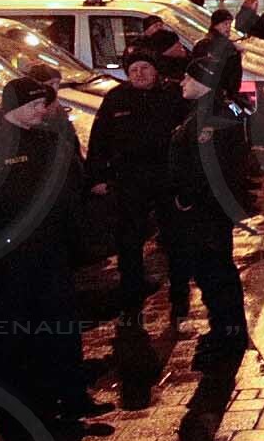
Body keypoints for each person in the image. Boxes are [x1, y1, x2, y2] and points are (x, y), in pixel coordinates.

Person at [0, 72, 100, 421]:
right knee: (14, 335)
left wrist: (76, 243)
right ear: (13, 107)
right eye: (34, 104)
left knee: (63, 329)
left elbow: (70, 193)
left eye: (43, 104)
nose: (41, 111)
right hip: (9, 261)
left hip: (51, 255)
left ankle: (73, 397)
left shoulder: (47, 142)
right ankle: (22, 408)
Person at [87, 46, 186, 333]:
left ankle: (179, 297)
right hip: (129, 182)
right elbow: (98, 141)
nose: (139, 74)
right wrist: (97, 176)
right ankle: (131, 302)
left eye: (144, 68)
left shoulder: (173, 96)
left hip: (167, 180)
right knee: (129, 243)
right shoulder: (116, 99)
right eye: (133, 70)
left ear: (156, 70)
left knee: (176, 242)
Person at [165, 46, 255, 355]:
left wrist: (187, 199)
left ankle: (228, 333)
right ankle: (224, 329)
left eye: (188, 78)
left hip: (207, 211)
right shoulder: (202, 111)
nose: (182, 83)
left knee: (215, 271)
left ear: (202, 82)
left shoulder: (209, 117)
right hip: (207, 209)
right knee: (211, 271)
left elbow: (208, 167)